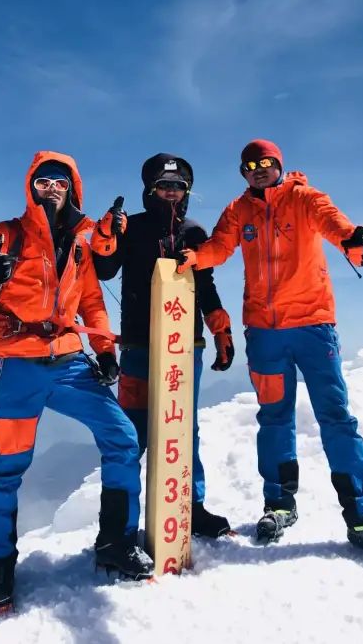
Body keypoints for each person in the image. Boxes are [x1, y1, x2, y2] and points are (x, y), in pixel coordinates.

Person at [177, 139, 363, 558]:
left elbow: (335, 224)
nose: (258, 169)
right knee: (274, 418)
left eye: (266, 162)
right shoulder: (238, 210)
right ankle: (279, 504)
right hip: (264, 332)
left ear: (278, 165)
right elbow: (221, 249)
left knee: (335, 417)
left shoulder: (305, 198)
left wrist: (354, 241)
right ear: (243, 171)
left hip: (314, 326)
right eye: (250, 165)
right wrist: (195, 258)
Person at [0, 151, 153, 616]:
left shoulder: (81, 244)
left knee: (123, 437)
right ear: (31, 187)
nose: (51, 188)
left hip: (67, 361)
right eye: (43, 181)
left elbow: (90, 302)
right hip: (15, 364)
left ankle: (116, 542)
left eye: (60, 182)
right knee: (6, 468)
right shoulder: (8, 232)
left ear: (72, 189)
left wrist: (104, 350)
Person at [91, 153, 234, 539]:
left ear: (186, 192)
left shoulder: (195, 233)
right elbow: (102, 269)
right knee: (132, 433)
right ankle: (119, 528)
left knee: (183, 428)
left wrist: (220, 327)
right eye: (163, 186)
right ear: (149, 191)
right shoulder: (131, 229)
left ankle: (192, 508)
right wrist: (107, 236)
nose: (171, 193)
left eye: (178, 187)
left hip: (188, 347)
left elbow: (205, 285)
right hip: (139, 347)